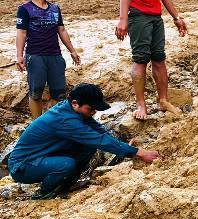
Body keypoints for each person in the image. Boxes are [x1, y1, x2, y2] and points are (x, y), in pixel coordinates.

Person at [8, 83, 159, 200]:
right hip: (23, 166)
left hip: (43, 155)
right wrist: (138, 153)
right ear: (75, 103)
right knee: (66, 164)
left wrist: (122, 145)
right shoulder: (66, 120)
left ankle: (67, 181)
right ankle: (44, 193)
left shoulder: (72, 110)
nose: (93, 113)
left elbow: (100, 131)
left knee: (87, 146)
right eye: (91, 109)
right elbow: (99, 140)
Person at [15, 0, 81, 119]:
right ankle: (37, 125)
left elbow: (61, 30)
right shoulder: (25, 9)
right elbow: (21, 32)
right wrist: (20, 56)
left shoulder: (55, 9)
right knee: (36, 92)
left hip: (55, 56)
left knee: (59, 93)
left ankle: (58, 123)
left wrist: (72, 51)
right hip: (35, 56)